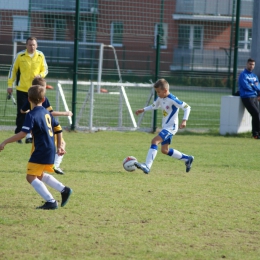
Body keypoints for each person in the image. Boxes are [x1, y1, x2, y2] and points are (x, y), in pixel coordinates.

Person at [0, 85, 72, 210]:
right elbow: (58, 129)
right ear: (44, 100)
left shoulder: (31, 115)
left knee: (30, 176)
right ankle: (64, 190)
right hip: (50, 148)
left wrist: (5, 142)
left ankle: (51, 201)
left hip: (41, 150)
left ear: (28, 99)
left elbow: (22, 134)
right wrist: (60, 145)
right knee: (39, 175)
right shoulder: (47, 113)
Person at [134, 78, 194, 174]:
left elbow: (187, 107)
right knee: (164, 150)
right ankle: (187, 159)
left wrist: (184, 121)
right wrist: (143, 110)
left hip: (171, 127)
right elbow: (154, 106)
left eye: (158, 92)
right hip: (166, 127)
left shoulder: (172, 99)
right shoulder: (161, 98)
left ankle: (147, 166)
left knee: (154, 141)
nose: (158, 94)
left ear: (165, 90)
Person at [20, 77, 73, 175]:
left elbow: (22, 110)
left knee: (38, 147)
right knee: (61, 144)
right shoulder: (43, 99)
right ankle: (55, 165)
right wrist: (66, 113)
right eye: (44, 87)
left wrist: (29, 112)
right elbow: (50, 113)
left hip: (36, 128)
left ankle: (43, 165)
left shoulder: (30, 98)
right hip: (46, 126)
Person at [7, 36, 48, 144]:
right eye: (30, 45)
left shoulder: (40, 55)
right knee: (22, 112)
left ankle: (30, 135)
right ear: (26, 45)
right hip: (22, 89)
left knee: (35, 113)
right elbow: (13, 70)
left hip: (35, 89)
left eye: (34, 44)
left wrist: (40, 75)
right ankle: (19, 134)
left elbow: (45, 69)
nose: (32, 47)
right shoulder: (20, 56)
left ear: (37, 45)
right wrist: (9, 85)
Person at [239, 58, 260, 139]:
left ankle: (255, 134)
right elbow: (246, 86)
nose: (251, 66)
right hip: (247, 97)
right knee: (256, 113)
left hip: (255, 97)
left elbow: (258, 86)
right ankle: (256, 133)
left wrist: (258, 93)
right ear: (247, 64)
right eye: (250, 64)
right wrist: (254, 87)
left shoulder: (254, 76)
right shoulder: (243, 75)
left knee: (256, 115)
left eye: (253, 64)